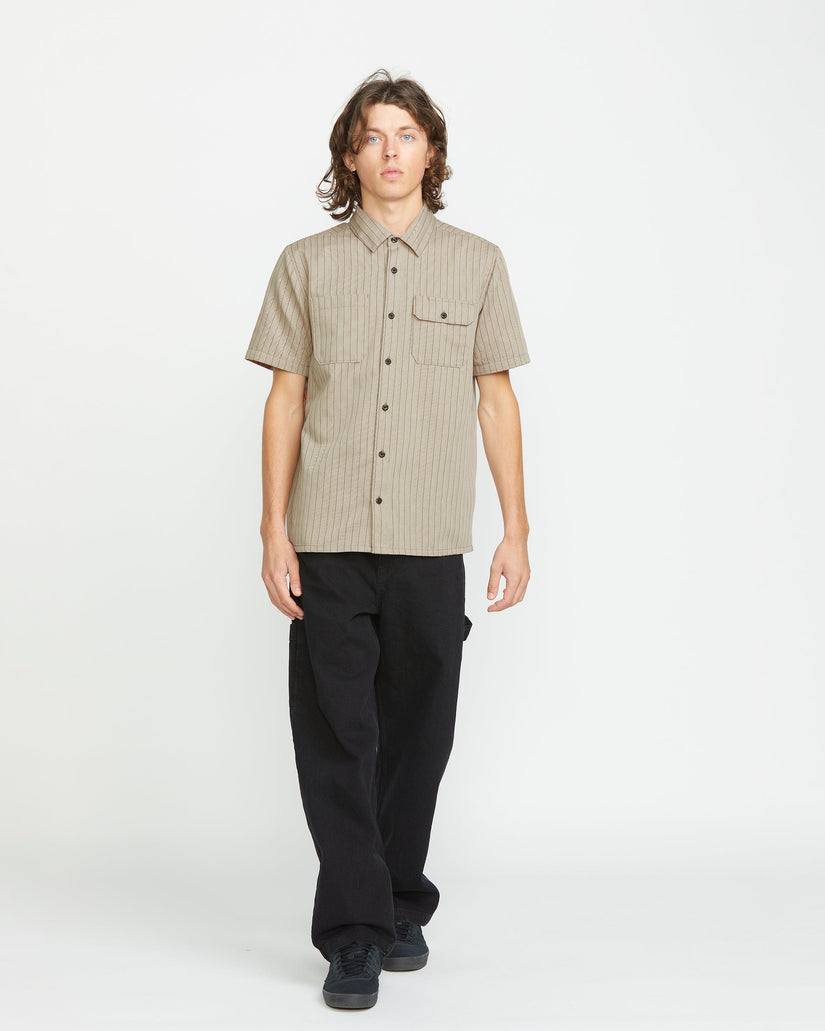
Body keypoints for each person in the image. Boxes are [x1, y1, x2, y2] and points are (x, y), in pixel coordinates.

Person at [244, 68, 531, 1010]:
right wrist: (273, 526)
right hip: (327, 537)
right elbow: (285, 398)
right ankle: (356, 931)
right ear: (350, 155)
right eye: (372, 135)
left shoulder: (477, 262)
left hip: (429, 536)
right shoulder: (304, 265)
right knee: (338, 736)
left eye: (406, 134)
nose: (391, 150)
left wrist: (515, 529)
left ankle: (402, 898)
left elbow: (496, 398)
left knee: (418, 734)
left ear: (431, 152)